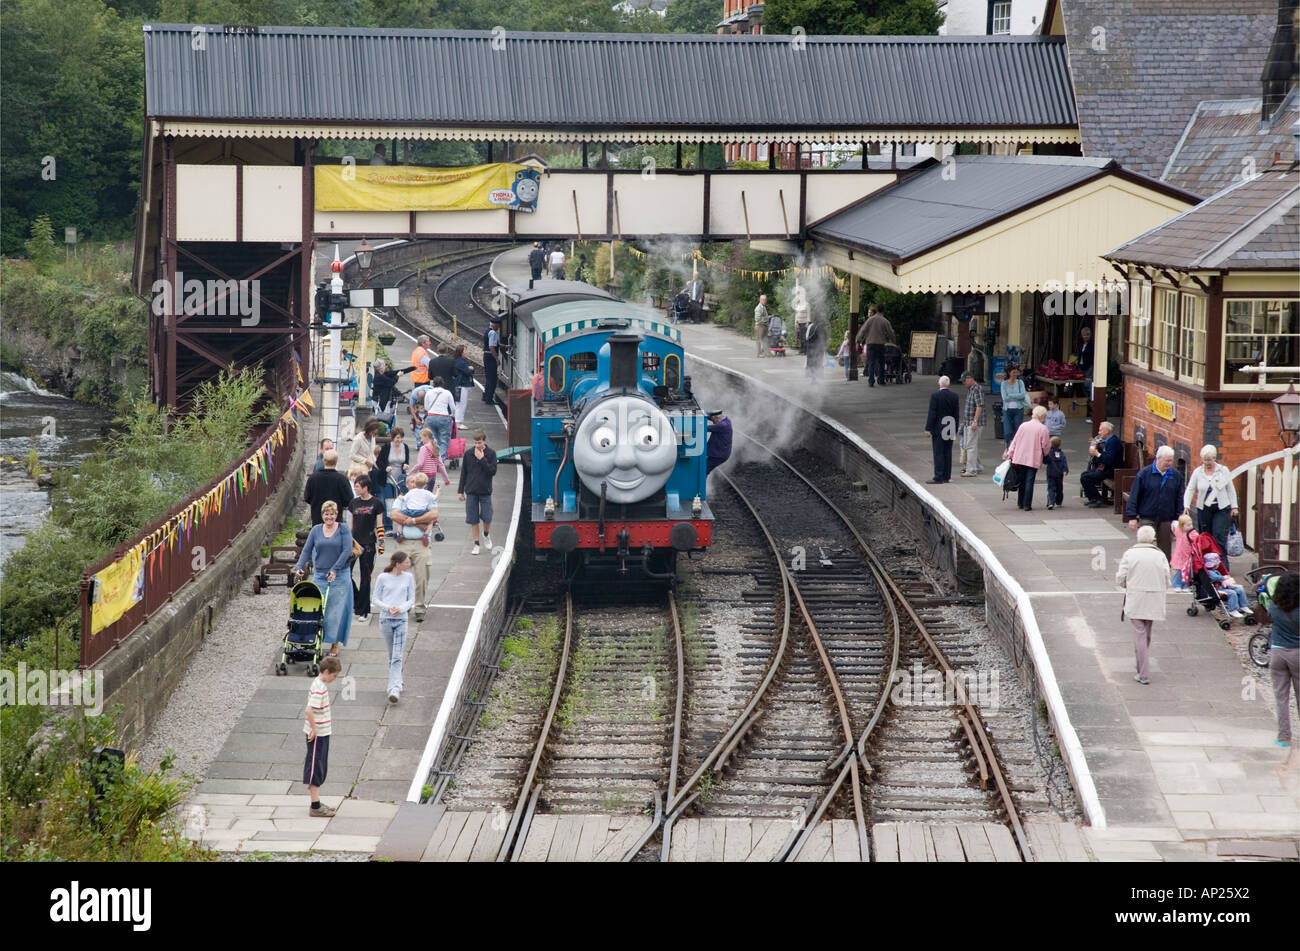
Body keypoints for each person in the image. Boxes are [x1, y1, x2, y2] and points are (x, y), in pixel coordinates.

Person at [294, 500, 354, 655]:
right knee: (316, 610)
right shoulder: (316, 530)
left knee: (335, 612)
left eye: (332, 514)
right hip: (320, 574)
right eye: (326, 514)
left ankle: (335, 644)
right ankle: (314, 640)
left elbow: (347, 551)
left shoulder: (343, 529)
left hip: (339, 575)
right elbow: (307, 550)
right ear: (322, 515)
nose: (329, 517)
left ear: (336, 515)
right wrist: (299, 567)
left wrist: (335, 569)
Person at [1115, 525, 1170, 685]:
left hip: (1136, 597)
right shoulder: (1159, 555)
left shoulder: (1130, 554)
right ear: (1153, 539)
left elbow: (1121, 577)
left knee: (1139, 633)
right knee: (1146, 633)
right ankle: (1141, 666)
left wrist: (1126, 584)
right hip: (1154, 597)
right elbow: (1167, 577)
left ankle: (1143, 672)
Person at [1183, 445, 1239, 570]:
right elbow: (1190, 489)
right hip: (1203, 508)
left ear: (1215, 458)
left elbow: (1230, 489)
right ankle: (1207, 565)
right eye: (1205, 460)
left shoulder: (1223, 470)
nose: (1207, 463)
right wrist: (1186, 505)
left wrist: (1234, 506)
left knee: (1218, 535)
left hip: (1221, 508)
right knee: (1205, 536)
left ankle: (1222, 565)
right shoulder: (1198, 472)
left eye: (1210, 460)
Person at [1126, 445, 1184, 559]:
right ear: (1158, 459)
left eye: (1171, 461)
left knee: (1165, 548)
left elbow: (1179, 497)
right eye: (1167, 461)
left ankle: (1164, 570)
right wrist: (1132, 516)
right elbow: (1134, 495)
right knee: (1146, 547)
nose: (1169, 464)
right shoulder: (1144, 474)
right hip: (1147, 516)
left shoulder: (1176, 476)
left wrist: (1178, 517)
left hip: (1166, 518)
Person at [372, 552, 415, 704]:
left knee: (397, 656)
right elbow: (375, 599)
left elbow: (411, 599)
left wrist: (401, 608)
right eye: (406, 562)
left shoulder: (408, 577)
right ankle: (398, 681)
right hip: (386, 619)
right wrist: (388, 607)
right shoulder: (383, 577)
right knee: (392, 655)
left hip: (401, 620)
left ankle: (393, 689)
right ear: (398, 563)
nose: (408, 565)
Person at [1263, 571, 1299, 747]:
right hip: (1298, 654)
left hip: (1277, 653)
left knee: (1281, 698)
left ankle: (1284, 737)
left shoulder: (1274, 606)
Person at [304, 654, 342, 818]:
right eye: (334, 675)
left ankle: (317, 801)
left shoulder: (320, 684)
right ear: (327, 671)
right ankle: (315, 805)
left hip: (323, 733)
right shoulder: (319, 687)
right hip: (318, 735)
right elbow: (309, 709)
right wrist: (314, 729)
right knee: (316, 768)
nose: (335, 678)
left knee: (320, 766)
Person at [347, 475, 384, 622]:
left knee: (365, 577)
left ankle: (364, 610)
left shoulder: (376, 503)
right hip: (354, 544)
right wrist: (347, 540)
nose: (355, 488)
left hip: (369, 544)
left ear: (365, 487)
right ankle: (357, 601)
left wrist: (381, 542)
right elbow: (350, 523)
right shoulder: (353, 503)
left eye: (357, 486)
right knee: (346, 574)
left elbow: (379, 524)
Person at [1003, 404, 1052, 510]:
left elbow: (1015, 440)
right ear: (1042, 416)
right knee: (1029, 481)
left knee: (1022, 481)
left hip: (1020, 457)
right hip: (1033, 458)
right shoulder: (1043, 429)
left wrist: (1010, 453)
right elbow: (1046, 446)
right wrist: (1046, 455)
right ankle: (1027, 504)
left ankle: (1020, 502)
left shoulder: (1023, 425)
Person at [458, 428, 498, 555]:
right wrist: (460, 491)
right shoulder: (468, 454)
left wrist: (482, 459)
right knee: (473, 519)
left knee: (487, 517)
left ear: (484, 441)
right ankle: (476, 544)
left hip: (485, 491)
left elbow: (492, 471)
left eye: (479, 443)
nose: (477, 445)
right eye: (475, 443)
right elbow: (464, 472)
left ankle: (486, 534)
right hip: (471, 491)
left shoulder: (491, 454)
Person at [924, 375, 960, 485]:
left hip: (939, 427)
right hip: (950, 426)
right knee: (947, 452)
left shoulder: (935, 396)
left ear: (939, 384)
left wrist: (928, 428)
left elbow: (932, 413)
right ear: (948, 384)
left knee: (938, 452)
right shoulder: (954, 396)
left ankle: (938, 476)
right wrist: (955, 429)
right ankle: (946, 476)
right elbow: (956, 414)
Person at [304, 449, 353, 526]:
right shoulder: (342, 479)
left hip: (317, 519)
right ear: (336, 461)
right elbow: (348, 499)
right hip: (335, 520)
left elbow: (307, 497)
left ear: (323, 460)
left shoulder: (313, 478)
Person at [376, 426, 410, 533]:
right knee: (389, 502)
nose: (399, 441)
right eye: (397, 438)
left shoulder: (405, 447)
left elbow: (406, 461)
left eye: (400, 438)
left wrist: (406, 465)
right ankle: (388, 527)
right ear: (393, 438)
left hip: (400, 478)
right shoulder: (386, 447)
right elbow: (379, 462)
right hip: (388, 478)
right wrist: (385, 467)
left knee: (402, 502)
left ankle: (403, 525)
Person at [394, 470, 443, 545]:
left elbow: (434, 515)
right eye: (412, 482)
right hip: (421, 513)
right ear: (407, 484)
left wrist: (411, 520)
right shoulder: (427, 494)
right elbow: (394, 515)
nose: (414, 484)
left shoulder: (410, 493)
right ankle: (425, 534)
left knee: (401, 519)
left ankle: (399, 533)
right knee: (429, 522)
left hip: (410, 512)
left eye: (415, 482)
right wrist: (438, 491)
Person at [1082, 421, 1123, 507]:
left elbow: (1108, 460)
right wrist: (1096, 447)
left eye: (1101, 430)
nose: (1098, 432)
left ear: (1107, 431)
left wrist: (1097, 453)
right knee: (1084, 474)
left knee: (1086, 477)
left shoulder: (1112, 442)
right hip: (1106, 467)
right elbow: (1103, 457)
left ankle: (1098, 499)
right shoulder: (1109, 440)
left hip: (1112, 470)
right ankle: (1093, 499)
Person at [854, 306, 894, 386]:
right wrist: (893, 341)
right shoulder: (885, 321)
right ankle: (880, 380)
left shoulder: (870, 320)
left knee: (871, 362)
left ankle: (871, 381)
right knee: (881, 362)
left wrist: (858, 339)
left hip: (870, 344)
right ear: (883, 311)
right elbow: (890, 332)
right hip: (880, 344)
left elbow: (863, 330)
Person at [1202, 553, 1250, 618]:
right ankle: (1233, 610)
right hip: (1217, 589)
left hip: (1222, 587)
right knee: (1232, 593)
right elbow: (1214, 578)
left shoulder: (1215, 571)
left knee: (1240, 589)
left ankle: (1244, 605)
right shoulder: (1209, 572)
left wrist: (1225, 579)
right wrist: (1223, 577)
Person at [422, 377, 457, 453]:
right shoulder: (447, 393)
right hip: (443, 417)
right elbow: (453, 408)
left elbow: (426, 407)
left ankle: (432, 459)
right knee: (444, 441)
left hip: (431, 417)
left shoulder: (429, 392)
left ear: (433, 384)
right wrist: (452, 415)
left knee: (432, 440)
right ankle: (441, 460)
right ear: (443, 384)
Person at [960, 371, 984, 477]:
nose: (963, 383)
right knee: (971, 445)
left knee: (970, 446)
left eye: (964, 381)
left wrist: (975, 421)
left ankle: (971, 470)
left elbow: (979, 405)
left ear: (970, 379)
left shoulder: (977, 388)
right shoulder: (970, 389)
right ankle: (978, 466)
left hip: (974, 423)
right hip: (968, 421)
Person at [415, 426, 452, 490]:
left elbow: (420, 464)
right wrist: (446, 480)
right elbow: (441, 465)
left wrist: (411, 473)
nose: (421, 440)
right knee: (429, 495)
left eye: (421, 438)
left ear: (426, 437)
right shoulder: (436, 448)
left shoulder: (423, 448)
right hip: (433, 477)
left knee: (422, 497)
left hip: (423, 477)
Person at [999, 365, 1027, 449]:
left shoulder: (1020, 383)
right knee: (1007, 432)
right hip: (1007, 410)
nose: (1015, 374)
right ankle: (1007, 448)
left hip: (1018, 410)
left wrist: (1010, 395)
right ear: (1009, 373)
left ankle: (1017, 449)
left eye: (1016, 372)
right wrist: (1016, 396)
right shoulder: (1004, 384)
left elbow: (1022, 395)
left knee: (1017, 431)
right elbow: (1004, 398)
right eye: (1013, 372)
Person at [452, 344, 475, 431]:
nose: (466, 352)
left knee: (460, 403)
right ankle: (458, 422)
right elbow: (468, 372)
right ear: (461, 352)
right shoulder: (460, 362)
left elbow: (468, 370)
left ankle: (458, 421)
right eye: (465, 351)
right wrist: (470, 368)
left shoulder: (460, 361)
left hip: (461, 384)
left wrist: (470, 368)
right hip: (461, 385)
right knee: (461, 404)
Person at [1170, 513, 1195, 589]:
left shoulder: (1192, 533)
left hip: (1187, 556)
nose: (1190, 527)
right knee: (1178, 571)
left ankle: (1185, 585)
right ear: (1181, 526)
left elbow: (1197, 540)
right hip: (1179, 555)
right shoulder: (1178, 531)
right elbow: (1174, 527)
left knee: (1186, 572)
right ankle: (1176, 585)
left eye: (1191, 524)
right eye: (1188, 525)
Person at [1045, 435, 1069, 510]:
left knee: (1051, 488)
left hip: (1051, 473)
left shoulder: (1049, 453)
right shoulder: (1061, 453)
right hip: (1059, 474)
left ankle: (1050, 502)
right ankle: (1059, 501)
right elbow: (1064, 462)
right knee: (1059, 488)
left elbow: (1046, 461)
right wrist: (1065, 470)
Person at [705, 410, 732, 475]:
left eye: (714, 421)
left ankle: (700, 484)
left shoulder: (722, 426)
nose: (713, 423)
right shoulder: (726, 420)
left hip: (718, 455)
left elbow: (704, 428)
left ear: (717, 418)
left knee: (704, 469)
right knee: (704, 468)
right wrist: (702, 413)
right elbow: (711, 417)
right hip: (718, 452)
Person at [483, 316, 501, 404]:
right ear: (496, 325)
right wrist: (497, 358)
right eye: (498, 326)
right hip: (490, 357)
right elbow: (491, 347)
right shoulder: (493, 333)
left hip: (486, 355)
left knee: (488, 377)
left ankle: (485, 396)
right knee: (492, 378)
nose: (499, 328)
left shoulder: (487, 331)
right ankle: (489, 399)